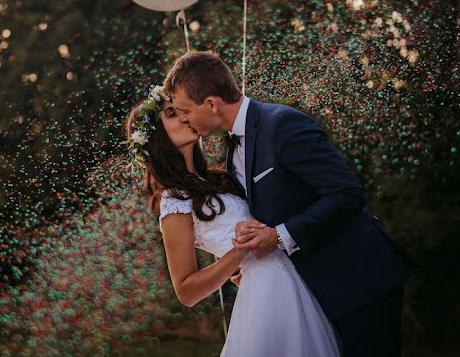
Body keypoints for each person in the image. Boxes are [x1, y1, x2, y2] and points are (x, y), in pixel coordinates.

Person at [163, 51, 415, 357]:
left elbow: (347, 193)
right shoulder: (232, 155)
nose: (185, 118)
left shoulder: (281, 124)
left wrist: (279, 236)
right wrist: (245, 261)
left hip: (356, 279)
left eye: (186, 110)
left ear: (212, 104)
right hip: (312, 291)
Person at [126, 85, 341, 357]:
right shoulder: (174, 201)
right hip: (265, 296)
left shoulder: (219, 177)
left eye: (181, 110)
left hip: (296, 280)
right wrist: (238, 252)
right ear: (157, 138)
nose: (184, 116)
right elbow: (186, 291)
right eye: (172, 113)